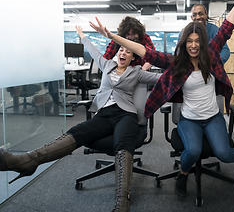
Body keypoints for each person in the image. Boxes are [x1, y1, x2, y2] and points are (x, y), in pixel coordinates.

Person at [90, 0, 234, 198]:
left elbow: (228, 24)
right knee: (192, 151)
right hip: (189, 119)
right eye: (190, 42)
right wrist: (113, 37)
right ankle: (183, 174)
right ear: (184, 44)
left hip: (213, 117)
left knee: (225, 153)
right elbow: (144, 51)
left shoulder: (212, 54)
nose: (194, 46)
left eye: (197, 42)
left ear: (203, 43)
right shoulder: (177, 63)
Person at [0, 26, 161, 212]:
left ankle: (122, 204)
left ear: (133, 57)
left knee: (123, 143)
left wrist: (184, 71)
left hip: (126, 114)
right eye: (121, 50)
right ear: (117, 53)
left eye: (128, 51)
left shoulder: (137, 72)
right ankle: (26, 161)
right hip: (104, 114)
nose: (123, 52)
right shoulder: (106, 64)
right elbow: (93, 51)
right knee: (77, 131)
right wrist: (82, 35)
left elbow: (161, 79)